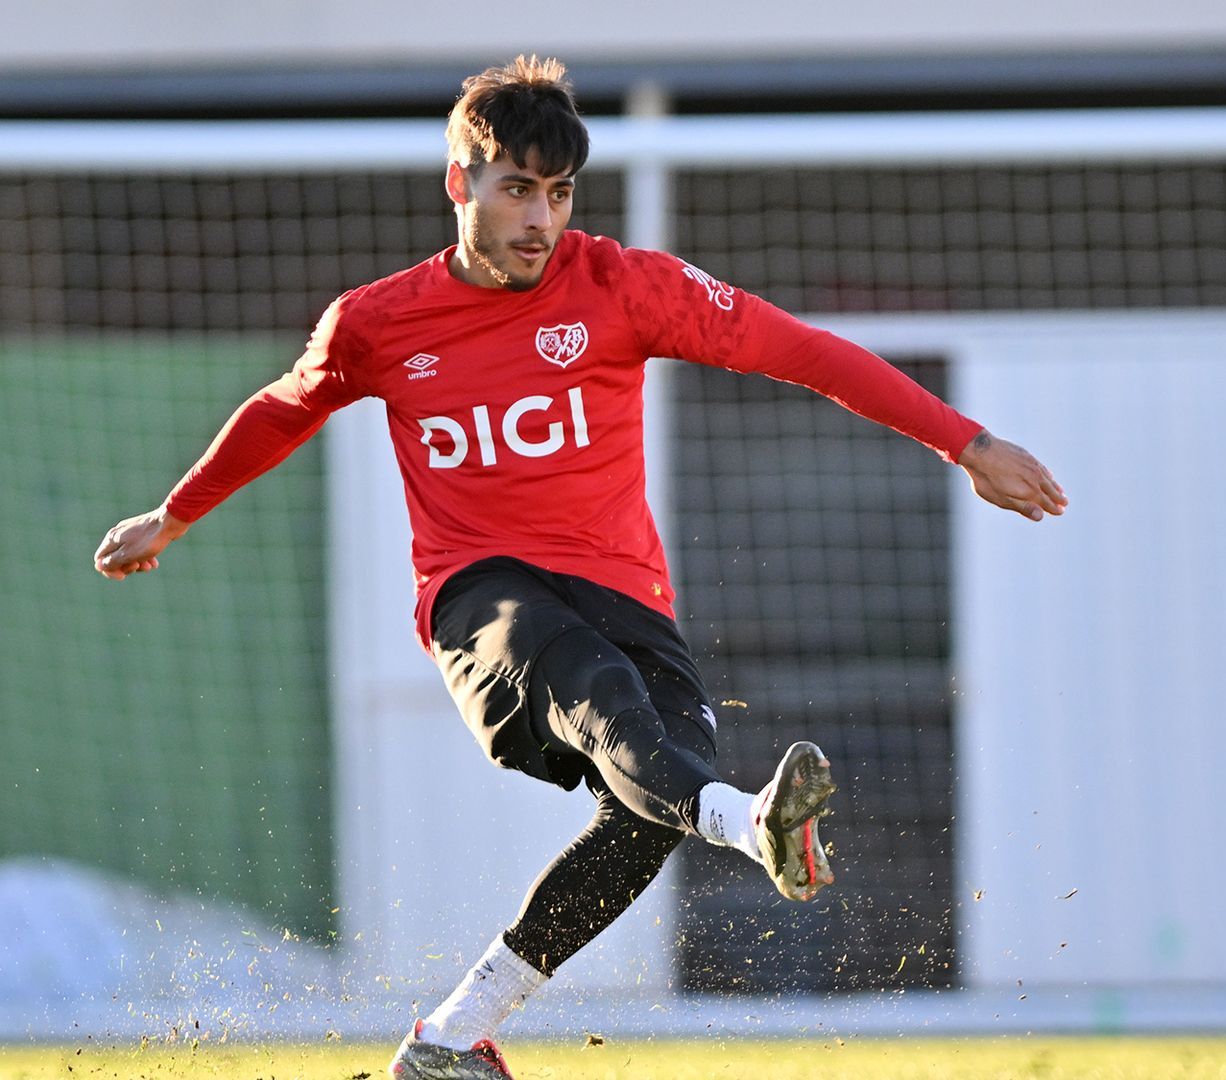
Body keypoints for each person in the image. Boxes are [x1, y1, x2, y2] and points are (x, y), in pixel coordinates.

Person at [91, 55, 1066, 1080]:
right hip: (482, 600)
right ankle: (748, 823)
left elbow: (802, 351)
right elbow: (283, 410)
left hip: (628, 599)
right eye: (517, 189)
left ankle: (449, 1039)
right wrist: (173, 515)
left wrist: (965, 442)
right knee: (597, 693)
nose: (540, 219)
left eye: (558, 194)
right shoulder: (376, 324)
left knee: (643, 811)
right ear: (459, 183)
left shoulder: (625, 287)